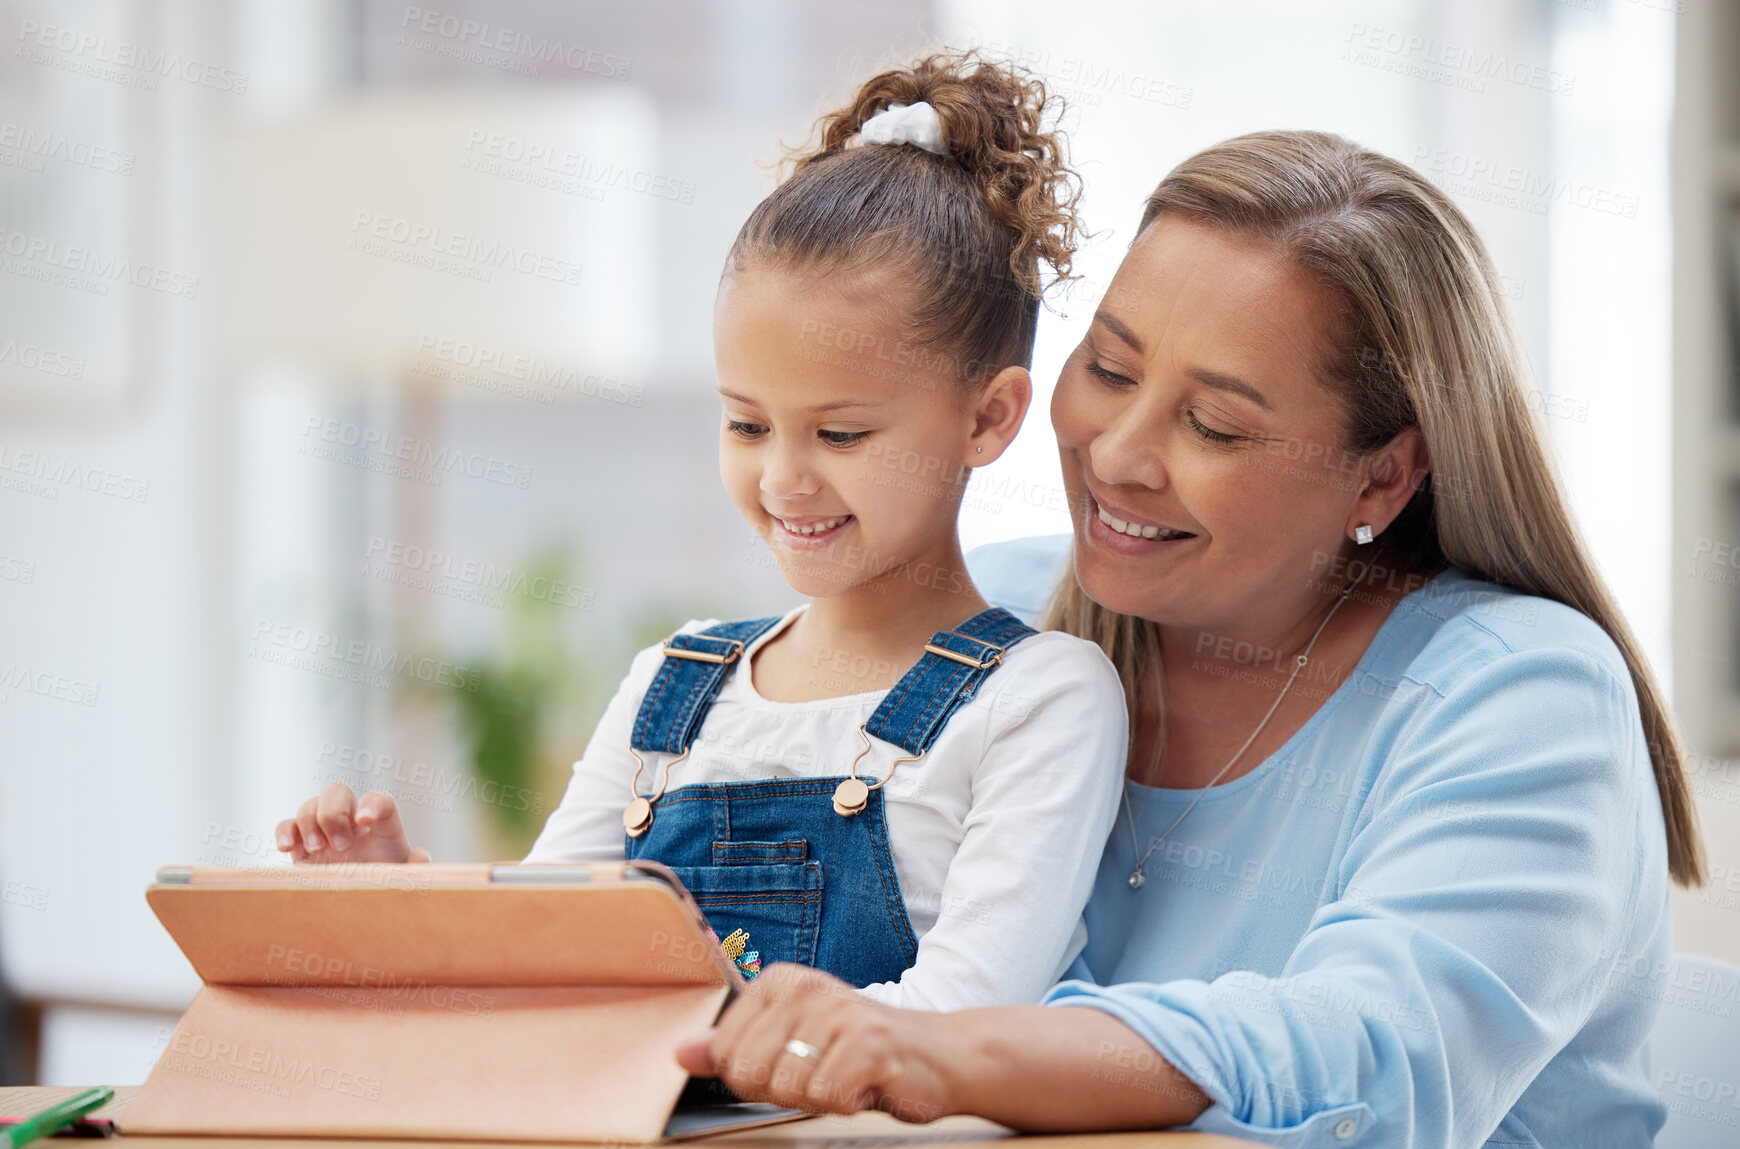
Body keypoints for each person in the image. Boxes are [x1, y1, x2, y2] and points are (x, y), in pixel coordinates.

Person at [671, 129, 1705, 1148]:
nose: (1117, 456)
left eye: (1213, 424)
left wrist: (947, 1052)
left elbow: (1369, 1064)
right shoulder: (993, 623)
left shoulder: (1519, 696)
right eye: (1111, 370)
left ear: (1383, 474)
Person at [274, 53, 1130, 1012]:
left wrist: (722, 1019)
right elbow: (540, 957)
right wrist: (401, 894)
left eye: (839, 433)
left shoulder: (1038, 700)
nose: (782, 478)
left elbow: (971, 1016)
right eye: (746, 423)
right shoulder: (671, 685)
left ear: (987, 419)